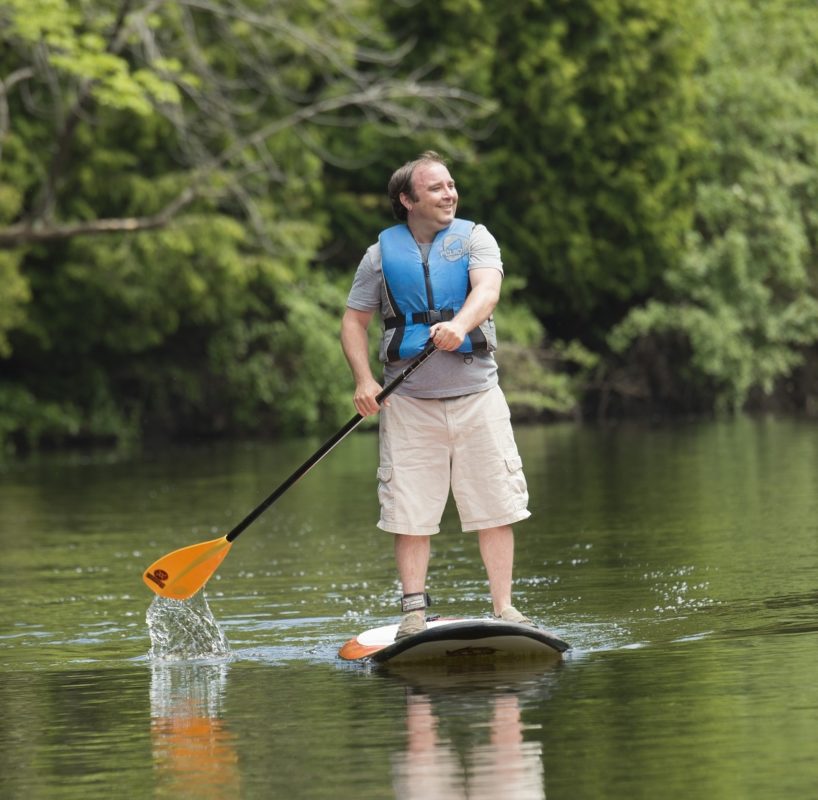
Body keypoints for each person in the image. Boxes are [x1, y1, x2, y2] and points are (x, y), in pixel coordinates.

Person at [341, 150, 532, 639]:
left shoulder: (475, 238)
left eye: (451, 185)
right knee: (410, 512)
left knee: (496, 505)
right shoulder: (380, 255)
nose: (450, 194)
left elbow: (486, 292)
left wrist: (459, 325)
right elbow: (353, 321)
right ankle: (413, 613)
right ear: (407, 199)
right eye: (436, 188)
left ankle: (505, 608)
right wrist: (365, 380)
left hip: (477, 396)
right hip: (408, 404)